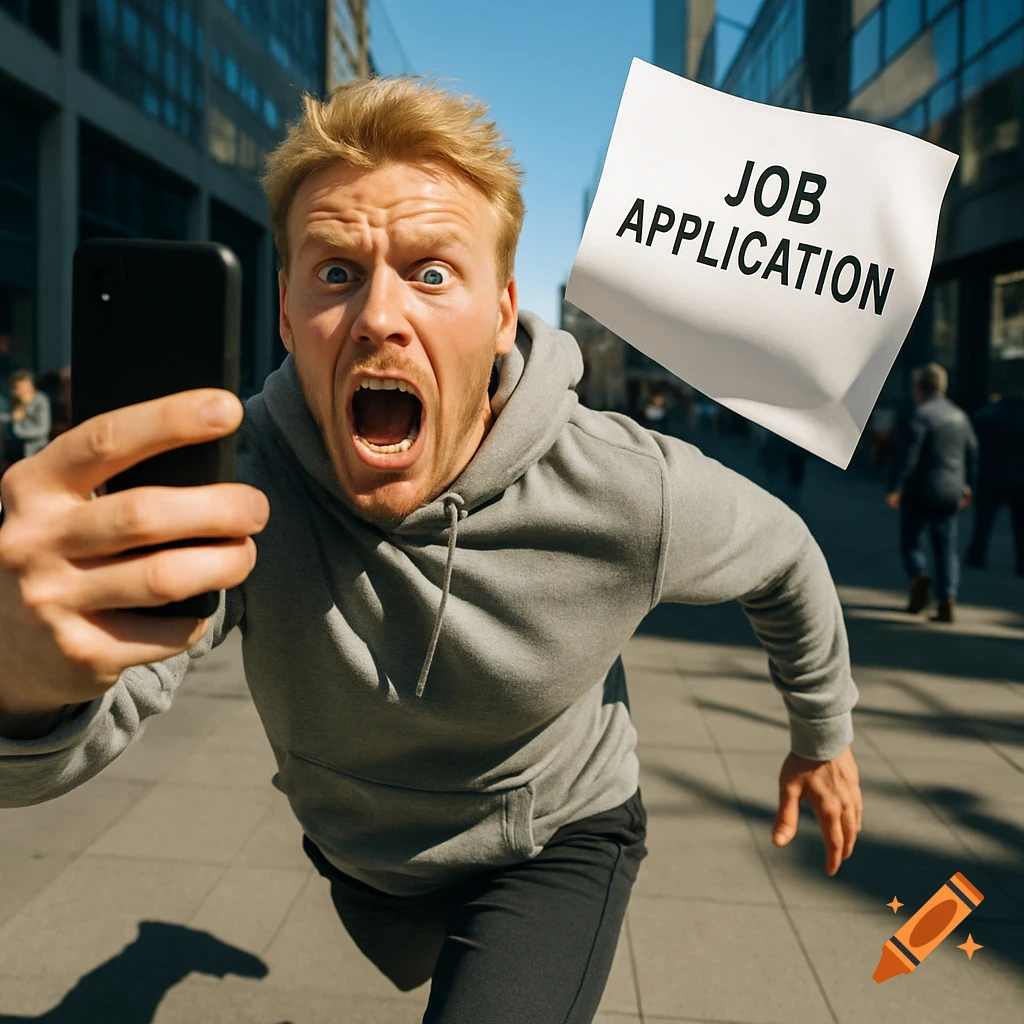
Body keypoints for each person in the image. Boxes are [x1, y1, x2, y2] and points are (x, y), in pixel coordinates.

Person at [0, 76, 863, 1023]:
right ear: (287, 317)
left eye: (431, 272)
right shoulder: (238, 483)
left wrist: (822, 733)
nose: (377, 317)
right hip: (363, 853)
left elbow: (787, 555)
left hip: (556, 838)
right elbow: (68, 742)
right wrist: (21, 681)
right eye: (335, 272)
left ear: (501, 314)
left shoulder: (628, 487)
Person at [885, 363, 978, 623]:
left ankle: (919, 575)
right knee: (946, 545)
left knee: (911, 540)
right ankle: (947, 596)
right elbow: (972, 453)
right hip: (951, 490)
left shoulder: (920, 415)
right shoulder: (960, 416)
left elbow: (908, 456)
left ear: (919, 388)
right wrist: (968, 485)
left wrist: (896, 487)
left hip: (920, 489)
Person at [967, 384, 1024, 576]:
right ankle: (1022, 563)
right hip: (1020, 480)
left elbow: (974, 446)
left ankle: (976, 556)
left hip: (990, 477)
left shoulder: (987, 414)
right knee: (1021, 526)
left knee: (983, 522)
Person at [5, 370, 52, 462]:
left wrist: (17, 425)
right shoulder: (14, 402)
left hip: (37, 451)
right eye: (14, 388)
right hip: (15, 453)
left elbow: (43, 429)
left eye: (18, 387)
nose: (16, 392)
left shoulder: (41, 401)